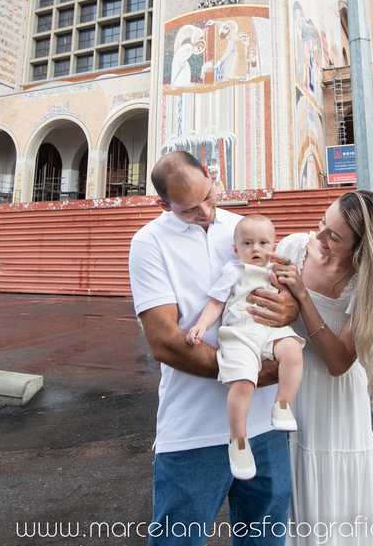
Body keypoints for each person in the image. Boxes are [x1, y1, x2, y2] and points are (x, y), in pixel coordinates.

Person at [129, 151, 298, 545]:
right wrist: (252, 373)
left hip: (264, 428)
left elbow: (285, 294)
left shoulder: (245, 229)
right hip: (191, 433)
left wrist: (290, 306)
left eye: (209, 196)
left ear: (211, 176)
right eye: (188, 210)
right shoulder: (149, 243)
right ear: (163, 204)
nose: (205, 212)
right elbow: (166, 343)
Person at [268, 190, 373, 546]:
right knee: (285, 488)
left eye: (333, 237)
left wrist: (302, 298)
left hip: (335, 401)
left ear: (360, 247)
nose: (318, 237)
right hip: (290, 386)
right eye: (323, 222)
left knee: (332, 500)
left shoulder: (367, 282)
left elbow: (338, 362)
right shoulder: (293, 249)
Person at [185, 214, 304, 481]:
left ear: (274, 246)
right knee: (243, 380)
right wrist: (202, 326)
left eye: (263, 243)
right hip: (240, 333)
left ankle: (282, 405)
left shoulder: (277, 273)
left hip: (271, 329)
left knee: (293, 351)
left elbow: (292, 302)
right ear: (236, 248)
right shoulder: (234, 271)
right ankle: (238, 440)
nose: (255, 249)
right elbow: (216, 302)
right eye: (247, 243)